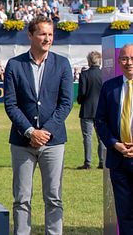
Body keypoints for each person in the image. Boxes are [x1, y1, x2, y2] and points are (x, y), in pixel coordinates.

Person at [3, 16, 73, 235]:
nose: (47, 38)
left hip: (54, 142)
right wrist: (31, 131)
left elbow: (66, 103)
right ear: (30, 35)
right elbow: (10, 104)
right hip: (22, 142)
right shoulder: (15, 65)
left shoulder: (62, 64)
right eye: (43, 34)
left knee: (54, 197)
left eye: (50, 34)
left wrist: (46, 131)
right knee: (22, 198)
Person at [95, 44, 133, 235]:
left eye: (132, 58)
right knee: (124, 213)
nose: (129, 62)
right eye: (125, 58)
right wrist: (114, 143)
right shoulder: (110, 87)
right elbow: (100, 121)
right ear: (119, 62)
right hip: (118, 160)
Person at [77, 51, 103, 169]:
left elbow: (82, 92)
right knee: (101, 137)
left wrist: (80, 100)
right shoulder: (104, 74)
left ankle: (88, 162)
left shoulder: (84, 74)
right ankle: (102, 161)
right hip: (101, 110)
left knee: (87, 137)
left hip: (87, 109)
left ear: (89, 61)